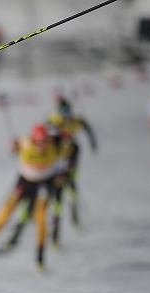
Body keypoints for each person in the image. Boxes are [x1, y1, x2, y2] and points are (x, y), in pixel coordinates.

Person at [0, 123, 59, 271]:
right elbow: (12, 150)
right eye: (38, 142)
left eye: (44, 141)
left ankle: (40, 256)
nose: (41, 145)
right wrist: (12, 147)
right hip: (24, 182)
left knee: (41, 219)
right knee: (4, 212)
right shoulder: (25, 143)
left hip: (43, 184)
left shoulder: (53, 146)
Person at [45, 96, 97, 244]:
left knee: (71, 187)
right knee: (57, 198)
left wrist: (92, 141)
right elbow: (44, 132)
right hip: (55, 158)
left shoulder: (72, 138)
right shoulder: (54, 120)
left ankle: (75, 217)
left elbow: (86, 126)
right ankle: (55, 232)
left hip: (69, 156)